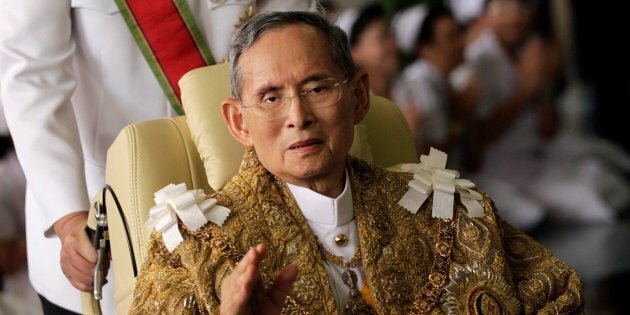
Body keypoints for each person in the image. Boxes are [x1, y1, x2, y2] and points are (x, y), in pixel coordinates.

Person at [128, 10, 584, 314]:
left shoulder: (448, 213)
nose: (298, 117)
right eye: (270, 97)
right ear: (238, 122)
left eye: (317, 88)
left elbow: (559, 296)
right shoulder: (190, 247)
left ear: (359, 97)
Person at [0, 1, 315, 314]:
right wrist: (69, 219)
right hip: (110, 216)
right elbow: (31, 78)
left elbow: (298, 31)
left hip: (257, 200)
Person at [450, 0, 630, 231]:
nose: (514, 18)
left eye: (520, 8)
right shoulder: (474, 64)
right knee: (595, 197)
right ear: (482, 17)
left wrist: (542, 87)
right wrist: (525, 90)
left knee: (605, 170)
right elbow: (472, 148)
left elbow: (548, 128)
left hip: (536, 157)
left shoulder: (527, 52)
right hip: (499, 170)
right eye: (503, 10)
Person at [392, 5, 473, 160]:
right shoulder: (418, 82)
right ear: (425, 49)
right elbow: (433, 156)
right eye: (451, 37)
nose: (461, 42)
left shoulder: (438, 79)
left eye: (460, 33)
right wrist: (461, 118)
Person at [335, 2, 399, 100]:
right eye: (383, 37)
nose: (393, 43)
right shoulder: (353, 104)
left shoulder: (411, 88)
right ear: (353, 52)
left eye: (391, 35)